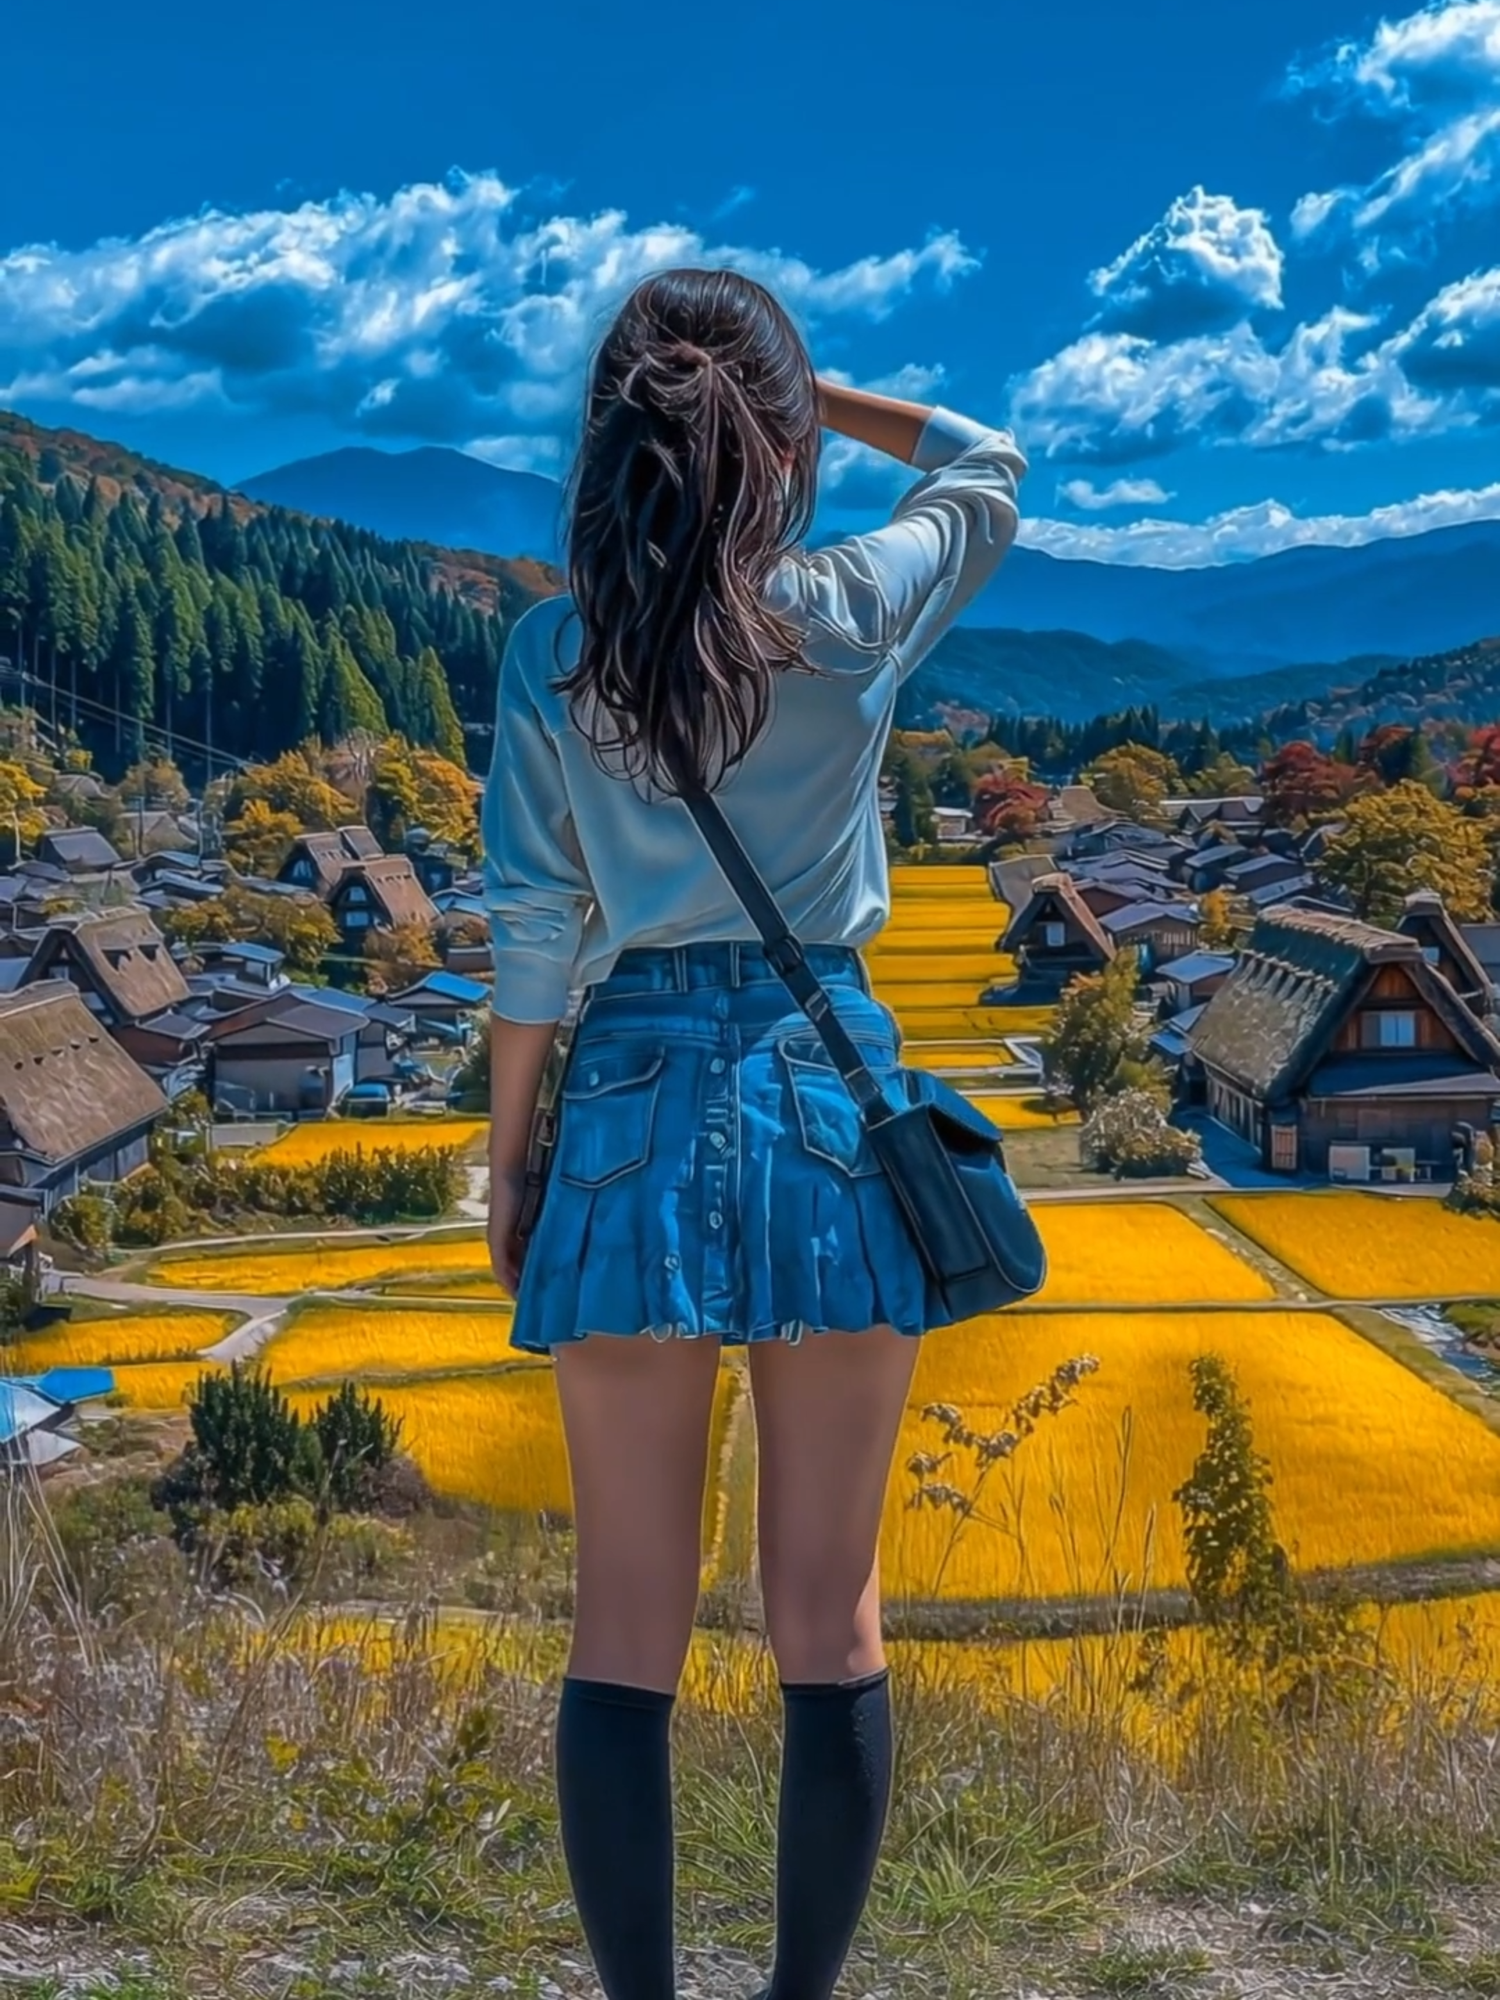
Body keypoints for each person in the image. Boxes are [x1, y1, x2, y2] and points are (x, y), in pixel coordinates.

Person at [481, 266, 1027, 2000]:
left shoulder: (552, 653)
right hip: (823, 1089)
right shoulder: (850, 608)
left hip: (626, 1092)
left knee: (624, 1627)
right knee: (827, 1617)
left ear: (608, 445)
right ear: (775, 444)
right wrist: (810, 391)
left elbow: (529, 936)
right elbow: (989, 463)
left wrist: (515, 1165)